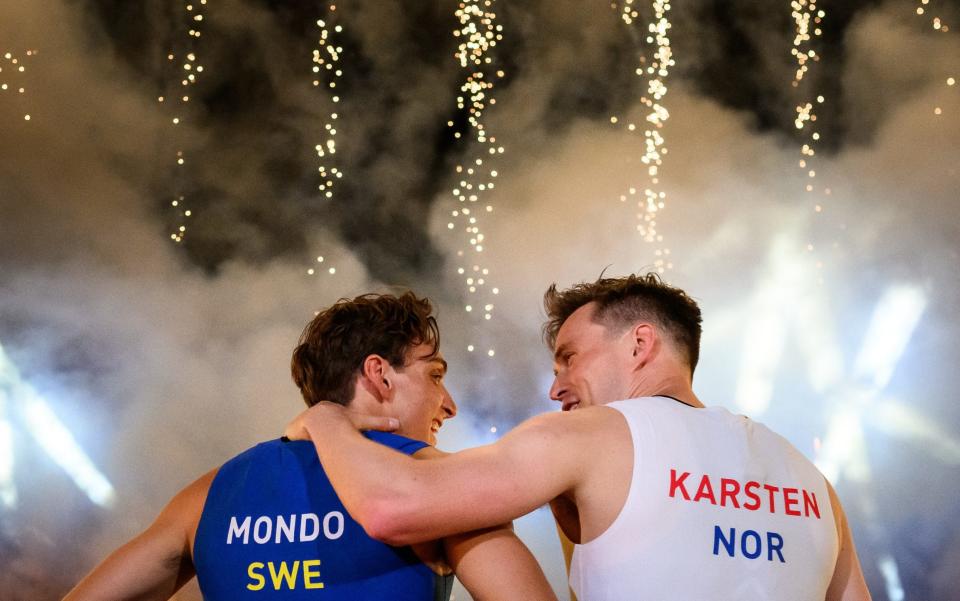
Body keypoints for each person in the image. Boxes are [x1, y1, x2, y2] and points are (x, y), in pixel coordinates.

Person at [286, 274, 872, 600]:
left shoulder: (593, 437)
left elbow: (393, 507)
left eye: (568, 359)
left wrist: (326, 419)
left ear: (640, 345)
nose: (557, 386)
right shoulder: (810, 481)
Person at [64, 292, 556, 601]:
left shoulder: (210, 495)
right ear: (379, 374)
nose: (447, 404)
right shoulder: (439, 488)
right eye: (434, 375)